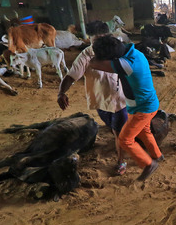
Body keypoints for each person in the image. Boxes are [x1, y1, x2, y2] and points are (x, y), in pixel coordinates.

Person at [57, 21, 128, 175]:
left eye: (100, 40)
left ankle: (121, 161)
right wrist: (61, 93)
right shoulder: (87, 54)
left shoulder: (117, 50)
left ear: (108, 37)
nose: (97, 45)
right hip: (100, 101)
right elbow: (71, 76)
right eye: (94, 41)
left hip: (121, 99)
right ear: (89, 39)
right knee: (113, 128)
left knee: (119, 133)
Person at [89, 36, 164, 181]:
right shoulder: (135, 53)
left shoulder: (126, 64)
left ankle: (149, 164)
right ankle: (157, 155)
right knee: (144, 131)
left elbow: (94, 63)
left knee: (125, 139)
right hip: (148, 104)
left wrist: (98, 55)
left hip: (142, 109)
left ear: (113, 57)